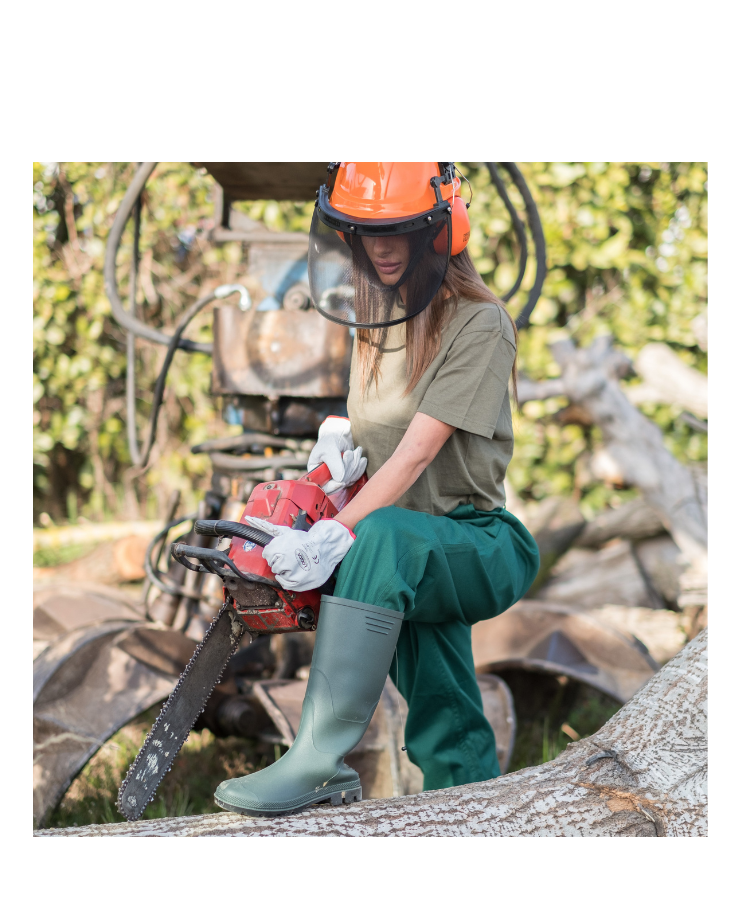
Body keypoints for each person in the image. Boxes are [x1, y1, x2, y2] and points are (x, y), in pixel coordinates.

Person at [214, 162, 540, 816]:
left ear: (439, 230)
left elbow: (418, 452)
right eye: (365, 232)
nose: (381, 247)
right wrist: (328, 482)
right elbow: (382, 441)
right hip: (402, 552)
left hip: (476, 545)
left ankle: (316, 760)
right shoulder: (377, 320)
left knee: (382, 538)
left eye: (397, 231)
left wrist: (339, 532)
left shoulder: (478, 323)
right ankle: (471, 810)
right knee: (442, 707)